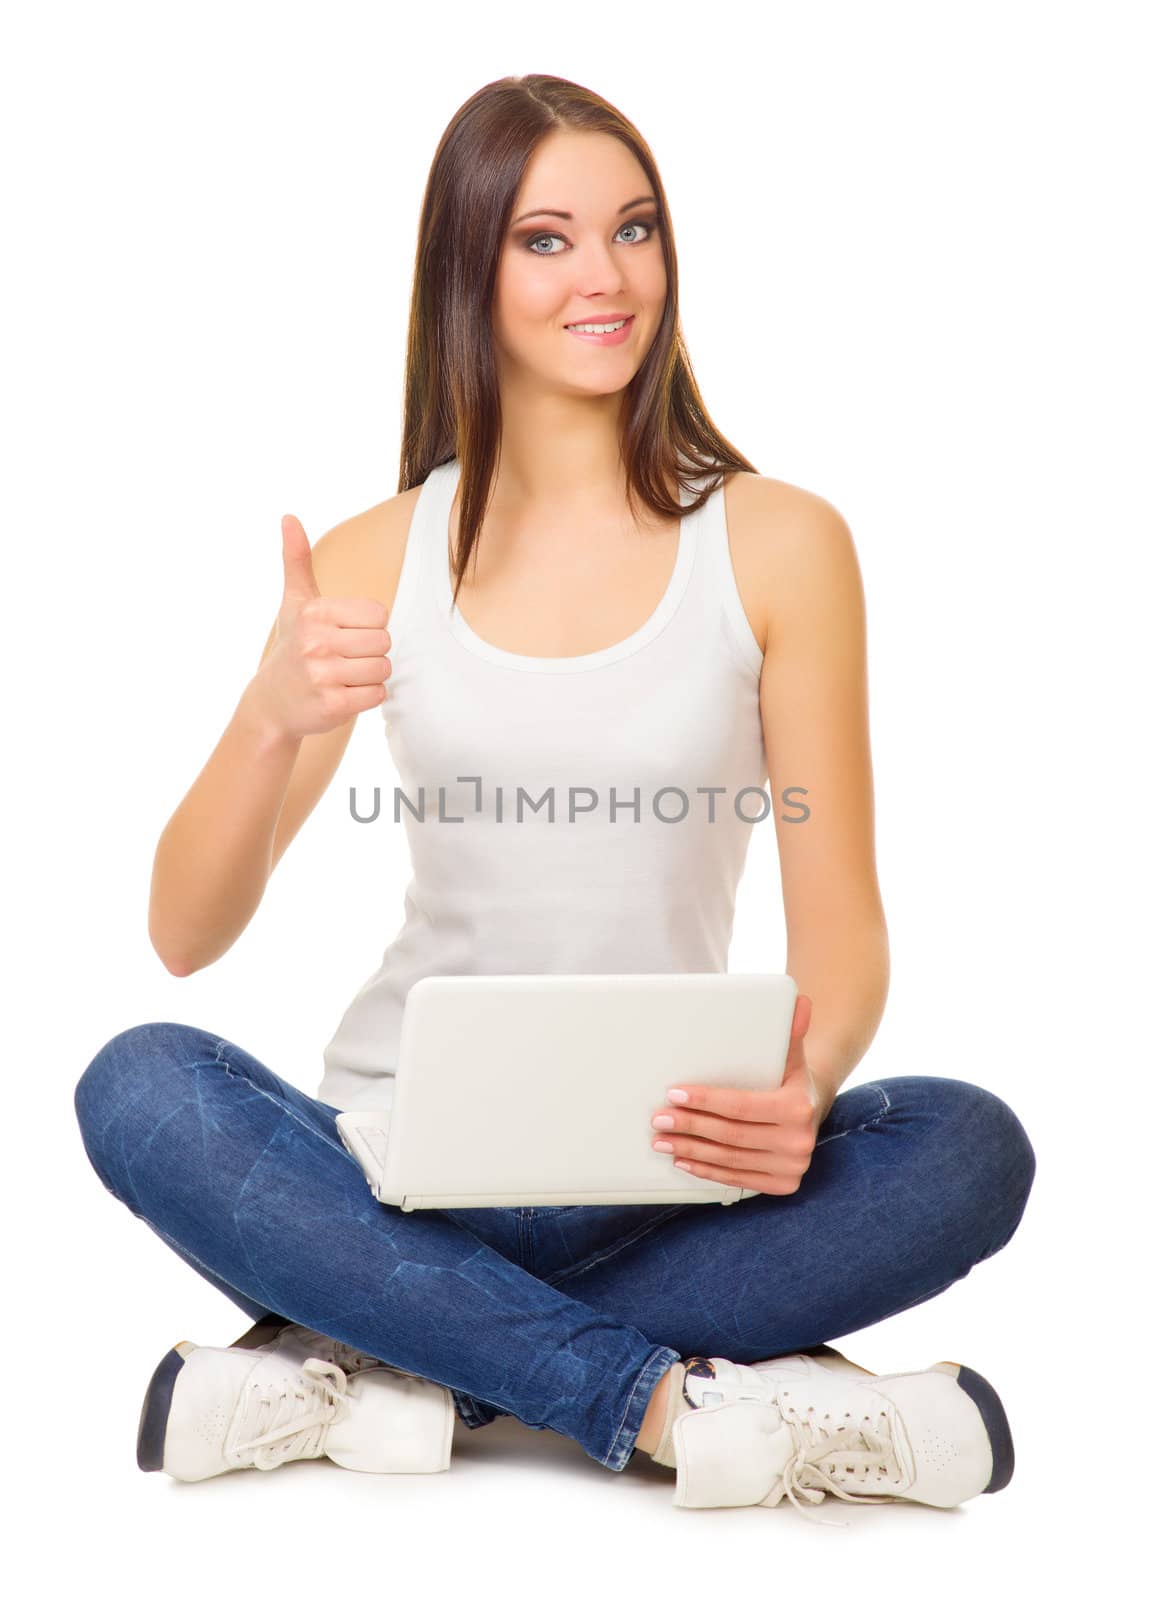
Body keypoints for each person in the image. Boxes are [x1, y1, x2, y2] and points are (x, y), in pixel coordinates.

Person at [73, 74, 1036, 1525]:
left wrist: (809, 1083)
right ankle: (660, 1405)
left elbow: (842, 935)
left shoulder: (780, 544)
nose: (607, 276)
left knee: (966, 1148)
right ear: (471, 267)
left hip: (667, 1170)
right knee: (141, 1086)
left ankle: (377, 1363)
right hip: (395, 1169)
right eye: (548, 239)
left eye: (634, 229)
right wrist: (271, 718)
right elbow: (182, 931)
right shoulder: (370, 555)